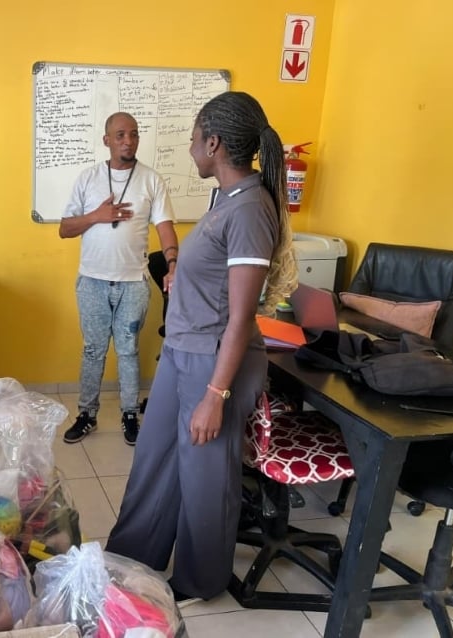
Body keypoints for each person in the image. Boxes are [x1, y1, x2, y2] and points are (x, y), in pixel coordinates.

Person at [105, 92, 298, 602]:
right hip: (183, 351)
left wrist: (216, 393)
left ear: (213, 143)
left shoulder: (253, 208)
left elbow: (241, 315)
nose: (190, 147)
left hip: (214, 362)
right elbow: (215, 278)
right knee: (155, 458)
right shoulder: (227, 199)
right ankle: (130, 561)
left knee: (204, 477)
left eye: (193, 139)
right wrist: (181, 278)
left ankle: (199, 580)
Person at [59, 112, 178, 446]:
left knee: (128, 350)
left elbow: (165, 226)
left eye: (134, 134)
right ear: (107, 140)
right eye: (121, 134)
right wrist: (97, 215)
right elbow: (65, 229)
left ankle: (129, 414)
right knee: (93, 350)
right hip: (93, 281)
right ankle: (87, 415)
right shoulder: (88, 178)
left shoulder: (151, 180)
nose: (129, 140)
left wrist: (172, 263)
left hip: (133, 283)